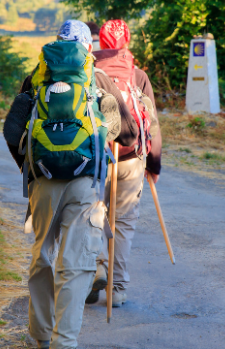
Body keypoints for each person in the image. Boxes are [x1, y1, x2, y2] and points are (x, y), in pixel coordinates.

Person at [4, 20, 139, 349]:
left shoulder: (37, 77)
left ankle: (39, 336)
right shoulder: (97, 78)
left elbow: (11, 129)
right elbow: (126, 130)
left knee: (43, 257)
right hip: (85, 185)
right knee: (76, 263)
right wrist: (95, 147)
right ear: (88, 47)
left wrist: (30, 164)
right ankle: (64, 342)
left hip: (42, 183)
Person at [86, 19, 162, 307]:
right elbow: (152, 124)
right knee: (124, 224)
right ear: (126, 41)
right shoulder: (138, 75)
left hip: (97, 157)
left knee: (94, 215)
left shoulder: (89, 71)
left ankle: (96, 267)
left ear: (101, 42)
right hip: (132, 158)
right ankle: (116, 290)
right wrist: (154, 166)